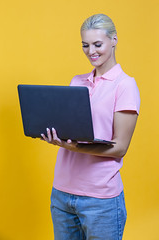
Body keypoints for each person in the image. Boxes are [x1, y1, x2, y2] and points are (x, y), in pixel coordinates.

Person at [41, 14, 140, 240]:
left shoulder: (125, 85)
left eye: (97, 44)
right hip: (62, 193)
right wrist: (55, 136)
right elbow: (69, 131)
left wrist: (75, 147)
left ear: (114, 40)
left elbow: (119, 147)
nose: (90, 51)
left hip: (101, 200)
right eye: (85, 45)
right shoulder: (77, 82)